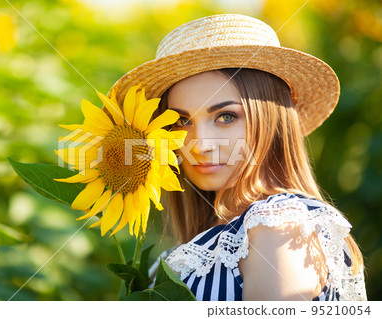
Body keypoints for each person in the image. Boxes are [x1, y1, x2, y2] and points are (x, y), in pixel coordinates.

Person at [107, 14, 367, 301]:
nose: (199, 145)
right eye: (182, 121)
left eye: (226, 116)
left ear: (272, 120)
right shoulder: (223, 234)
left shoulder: (278, 226)